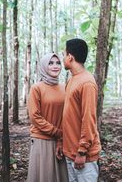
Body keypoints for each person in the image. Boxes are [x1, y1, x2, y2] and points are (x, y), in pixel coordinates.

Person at [62, 38, 101, 182]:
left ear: (70, 57)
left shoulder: (87, 82)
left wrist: (82, 151)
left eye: (64, 54)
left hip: (84, 156)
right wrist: (62, 143)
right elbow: (69, 116)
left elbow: (89, 118)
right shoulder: (72, 80)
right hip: (70, 152)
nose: (63, 58)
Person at [27, 53, 68, 182]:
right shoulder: (36, 88)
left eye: (58, 63)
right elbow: (35, 117)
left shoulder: (64, 87)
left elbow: (66, 114)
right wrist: (56, 132)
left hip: (61, 140)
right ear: (44, 66)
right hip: (42, 140)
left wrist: (61, 138)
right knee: (45, 176)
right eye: (51, 63)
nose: (55, 66)